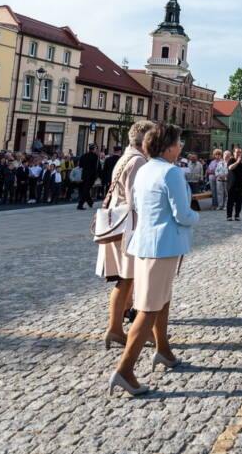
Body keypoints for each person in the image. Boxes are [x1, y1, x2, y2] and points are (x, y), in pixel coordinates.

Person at [110, 123, 199, 397]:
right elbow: (182, 214)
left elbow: (137, 205)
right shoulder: (170, 172)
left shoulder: (146, 168)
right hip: (163, 245)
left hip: (145, 241)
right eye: (178, 142)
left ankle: (164, 350)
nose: (181, 146)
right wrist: (197, 216)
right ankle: (125, 369)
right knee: (148, 308)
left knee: (162, 299)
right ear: (168, 146)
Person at [98, 120, 155, 350]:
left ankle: (119, 328)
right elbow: (135, 200)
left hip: (121, 224)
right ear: (145, 141)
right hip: (130, 228)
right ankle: (117, 328)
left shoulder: (125, 158)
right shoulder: (138, 161)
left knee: (127, 279)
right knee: (129, 279)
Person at [226, 146, 242, 221]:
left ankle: (237, 215)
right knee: (230, 201)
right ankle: (229, 215)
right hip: (232, 184)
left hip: (241, 184)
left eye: (240, 152)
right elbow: (230, 168)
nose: (239, 153)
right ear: (234, 153)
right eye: (237, 152)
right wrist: (237, 162)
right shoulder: (231, 160)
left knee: (239, 201)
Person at [78, 144, 100, 210]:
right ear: (93, 149)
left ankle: (90, 202)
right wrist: (96, 175)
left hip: (84, 175)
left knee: (85, 189)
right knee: (86, 190)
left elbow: (80, 166)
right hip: (91, 176)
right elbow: (95, 167)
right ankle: (80, 204)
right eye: (95, 149)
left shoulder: (83, 156)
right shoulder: (95, 156)